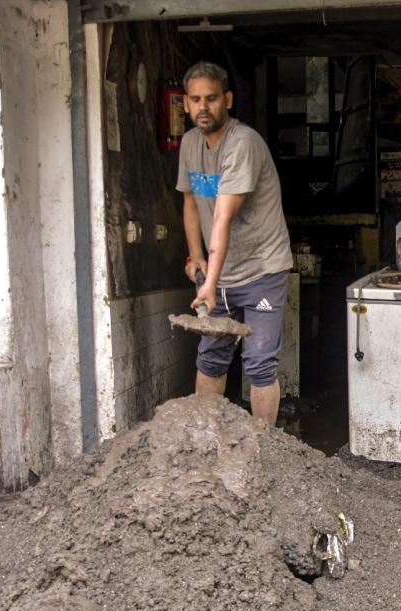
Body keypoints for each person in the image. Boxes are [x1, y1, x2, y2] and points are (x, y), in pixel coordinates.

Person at [176, 61, 293, 426]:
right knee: (210, 357)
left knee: (259, 362)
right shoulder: (190, 143)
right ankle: (206, 444)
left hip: (262, 270)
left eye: (211, 98)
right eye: (196, 99)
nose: (203, 107)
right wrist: (197, 258)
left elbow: (223, 216)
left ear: (227, 99)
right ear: (185, 104)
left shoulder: (242, 143)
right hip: (219, 273)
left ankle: (264, 449)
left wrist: (209, 283)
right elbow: (192, 201)